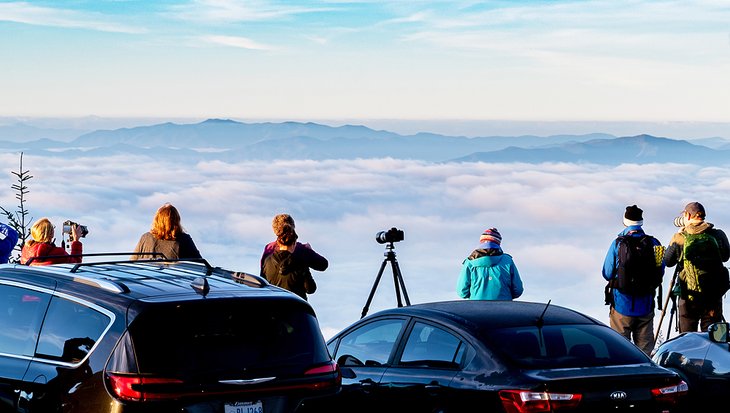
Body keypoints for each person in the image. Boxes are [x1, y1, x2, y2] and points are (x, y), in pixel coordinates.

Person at [602, 205, 664, 355]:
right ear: (641, 222)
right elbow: (660, 271)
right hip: (646, 305)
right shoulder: (654, 243)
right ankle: (646, 376)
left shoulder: (618, 243)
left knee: (619, 350)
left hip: (622, 305)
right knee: (645, 352)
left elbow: (607, 273)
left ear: (625, 222)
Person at [664, 202, 730, 332]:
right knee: (712, 337)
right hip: (713, 295)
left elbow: (668, 261)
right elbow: (726, 256)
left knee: (688, 337)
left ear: (688, 216)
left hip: (688, 295)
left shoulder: (680, 237)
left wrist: (678, 236)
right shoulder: (718, 235)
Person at [261, 223, 328, 300]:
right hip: (295, 307)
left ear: (278, 242)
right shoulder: (301, 262)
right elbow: (311, 289)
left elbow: (263, 284)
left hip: (274, 307)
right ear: (294, 243)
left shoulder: (267, 261)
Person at [457, 228, 524, 301]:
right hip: (504, 308)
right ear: (498, 243)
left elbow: (462, 292)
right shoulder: (507, 261)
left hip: (476, 309)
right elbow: (518, 290)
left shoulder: (469, 262)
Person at [131, 203, 202, 260]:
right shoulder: (183, 239)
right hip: (173, 277)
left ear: (156, 220)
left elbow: (132, 261)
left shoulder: (145, 237)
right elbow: (199, 264)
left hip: (146, 276)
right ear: (176, 221)